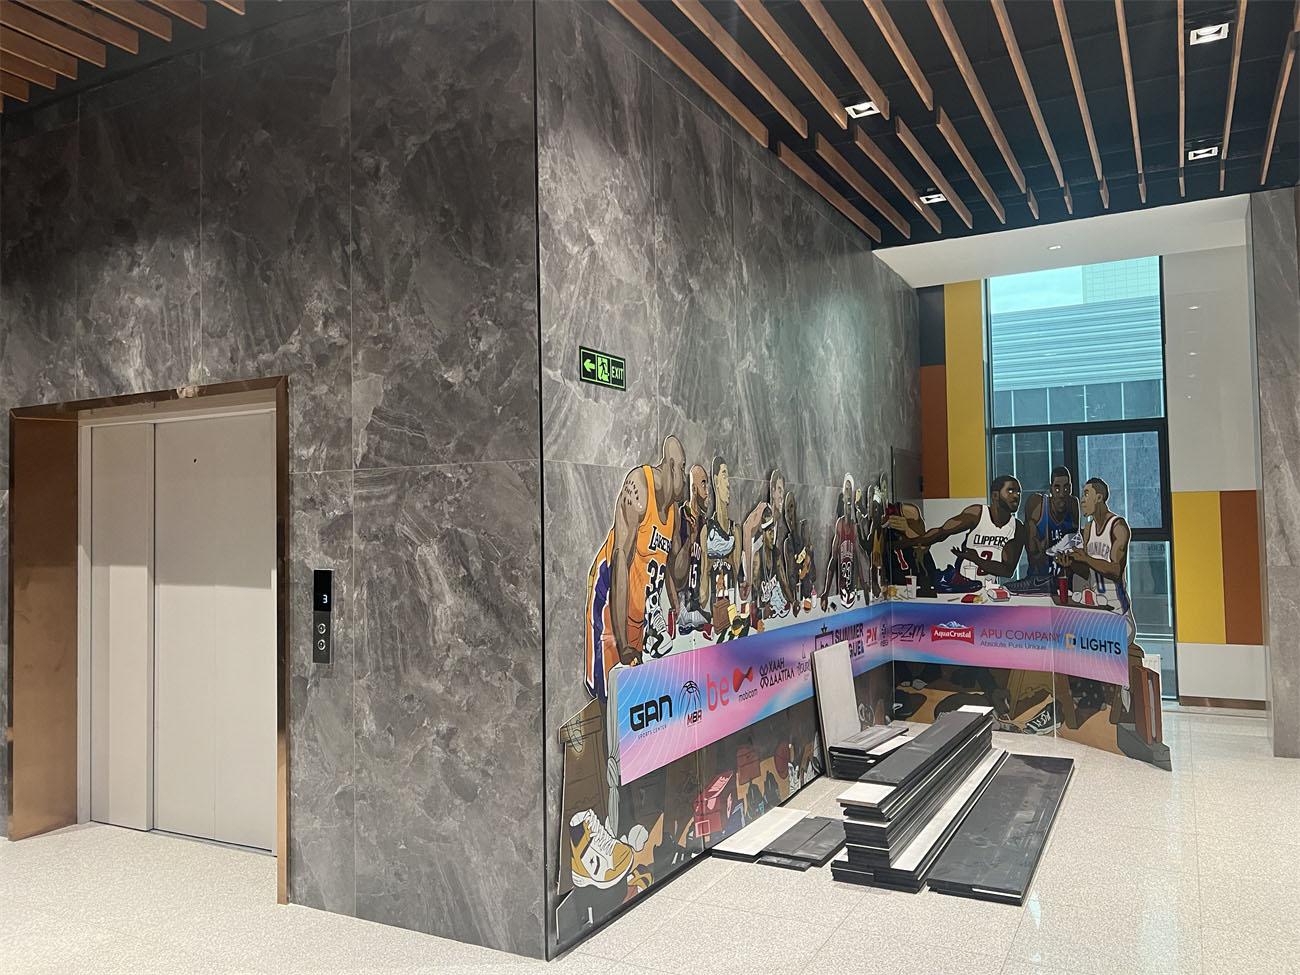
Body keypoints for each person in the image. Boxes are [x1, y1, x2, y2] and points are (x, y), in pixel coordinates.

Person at [584, 436, 687, 701]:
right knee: (609, 695)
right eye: (683, 468)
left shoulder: (674, 512)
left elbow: (676, 574)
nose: (685, 478)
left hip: (638, 613)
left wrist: (695, 538)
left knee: (633, 699)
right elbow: (620, 560)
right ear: (671, 465)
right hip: (610, 601)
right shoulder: (639, 487)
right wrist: (623, 644)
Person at [886, 474, 1028, 583]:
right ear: (995, 495)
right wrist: (903, 543)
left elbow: (1007, 571)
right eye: (1010, 491)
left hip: (989, 588)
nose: (1016, 496)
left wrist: (976, 559)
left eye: (1019, 492)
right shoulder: (977, 514)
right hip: (961, 582)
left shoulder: (1017, 528)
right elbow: (942, 532)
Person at [1055, 477, 1136, 647]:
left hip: (1118, 614)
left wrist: (1086, 558)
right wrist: (1071, 564)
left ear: (1099, 497)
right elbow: (1088, 572)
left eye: (1086, 494)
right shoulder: (1088, 529)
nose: (1082, 500)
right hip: (1096, 610)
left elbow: (1116, 570)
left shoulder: (1118, 526)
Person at [1010, 466, 1081, 593]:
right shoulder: (1037, 504)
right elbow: (1033, 556)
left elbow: (1074, 548)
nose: (1061, 493)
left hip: (1065, 580)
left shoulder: (1073, 504)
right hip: (1039, 580)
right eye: (1057, 488)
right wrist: (1043, 552)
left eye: (1066, 488)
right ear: (1051, 489)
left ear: (1070, 488)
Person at [670, 464, 711, 634]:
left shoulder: (703, 522)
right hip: (681, 599)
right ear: (693, 489)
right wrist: (690, 540)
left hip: (696, 598)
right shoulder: (681, 517)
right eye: (703, 485)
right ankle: (684, 613)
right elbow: (676, 572)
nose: (707, 492)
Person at [823, 474, 865, 611]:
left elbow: (858, 557)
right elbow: (833, 559)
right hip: (841, 585)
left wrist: (863, 583)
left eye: (850, 490)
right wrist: (826, 591)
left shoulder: (854, 527)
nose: (848, 493)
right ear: (843, 494)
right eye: (846, 489)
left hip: (852, 584)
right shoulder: (839, 524)